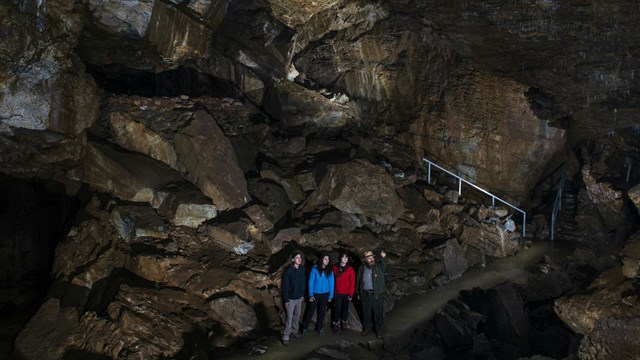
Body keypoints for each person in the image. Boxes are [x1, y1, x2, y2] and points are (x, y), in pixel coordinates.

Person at [300, 254, 334, 336]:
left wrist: (330, 295)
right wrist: (311, 294)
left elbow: (332, 283)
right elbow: (311, 281)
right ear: (321, 259)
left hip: (325, 294)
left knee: (322, 311)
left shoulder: (329, 270)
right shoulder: (315, 268)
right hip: (315, 293)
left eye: (328, 259)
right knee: (310, 310)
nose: (327, 260)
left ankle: (320, 328)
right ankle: (304, 328)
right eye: (325, 258)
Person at [356, 249, 387, 339]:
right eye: (368, 258)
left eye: (372, 257)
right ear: (365, 260)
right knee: (366, 313)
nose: (371, 259)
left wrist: (384, 257)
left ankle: (379, 330)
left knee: (378, 314)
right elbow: (359, 281)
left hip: (376, 294)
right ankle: (367, 328)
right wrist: (358, 292)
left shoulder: (379, 266)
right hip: (365, 294)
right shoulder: (361, 268)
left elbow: (384, 264)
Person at [281, 251, 305, 346]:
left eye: (300, 257)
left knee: (297, 316)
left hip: (299, 298)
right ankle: (286, 336)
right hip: (290, 299)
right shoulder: (288, 271)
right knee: (289, 318)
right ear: (293, 260)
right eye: (297, 257)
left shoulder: (302, 269)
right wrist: (286, 300)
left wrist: (302, 294)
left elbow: (303, 282)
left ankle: (295, 331)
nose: (299, 259)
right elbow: (285, 287)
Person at [331, 252, 355, 333]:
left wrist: (351, 294)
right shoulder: (335, 267)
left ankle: (344, 322)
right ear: (340, 258)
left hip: (346, 293)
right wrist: (332, 292)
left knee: (345, 309)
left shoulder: (350, 269)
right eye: (343, 257)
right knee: (337, 309)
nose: (345, 258)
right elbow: (332, 280)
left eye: (346, 257)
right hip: (337, 292)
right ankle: (335, 323)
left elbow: (352, 282)